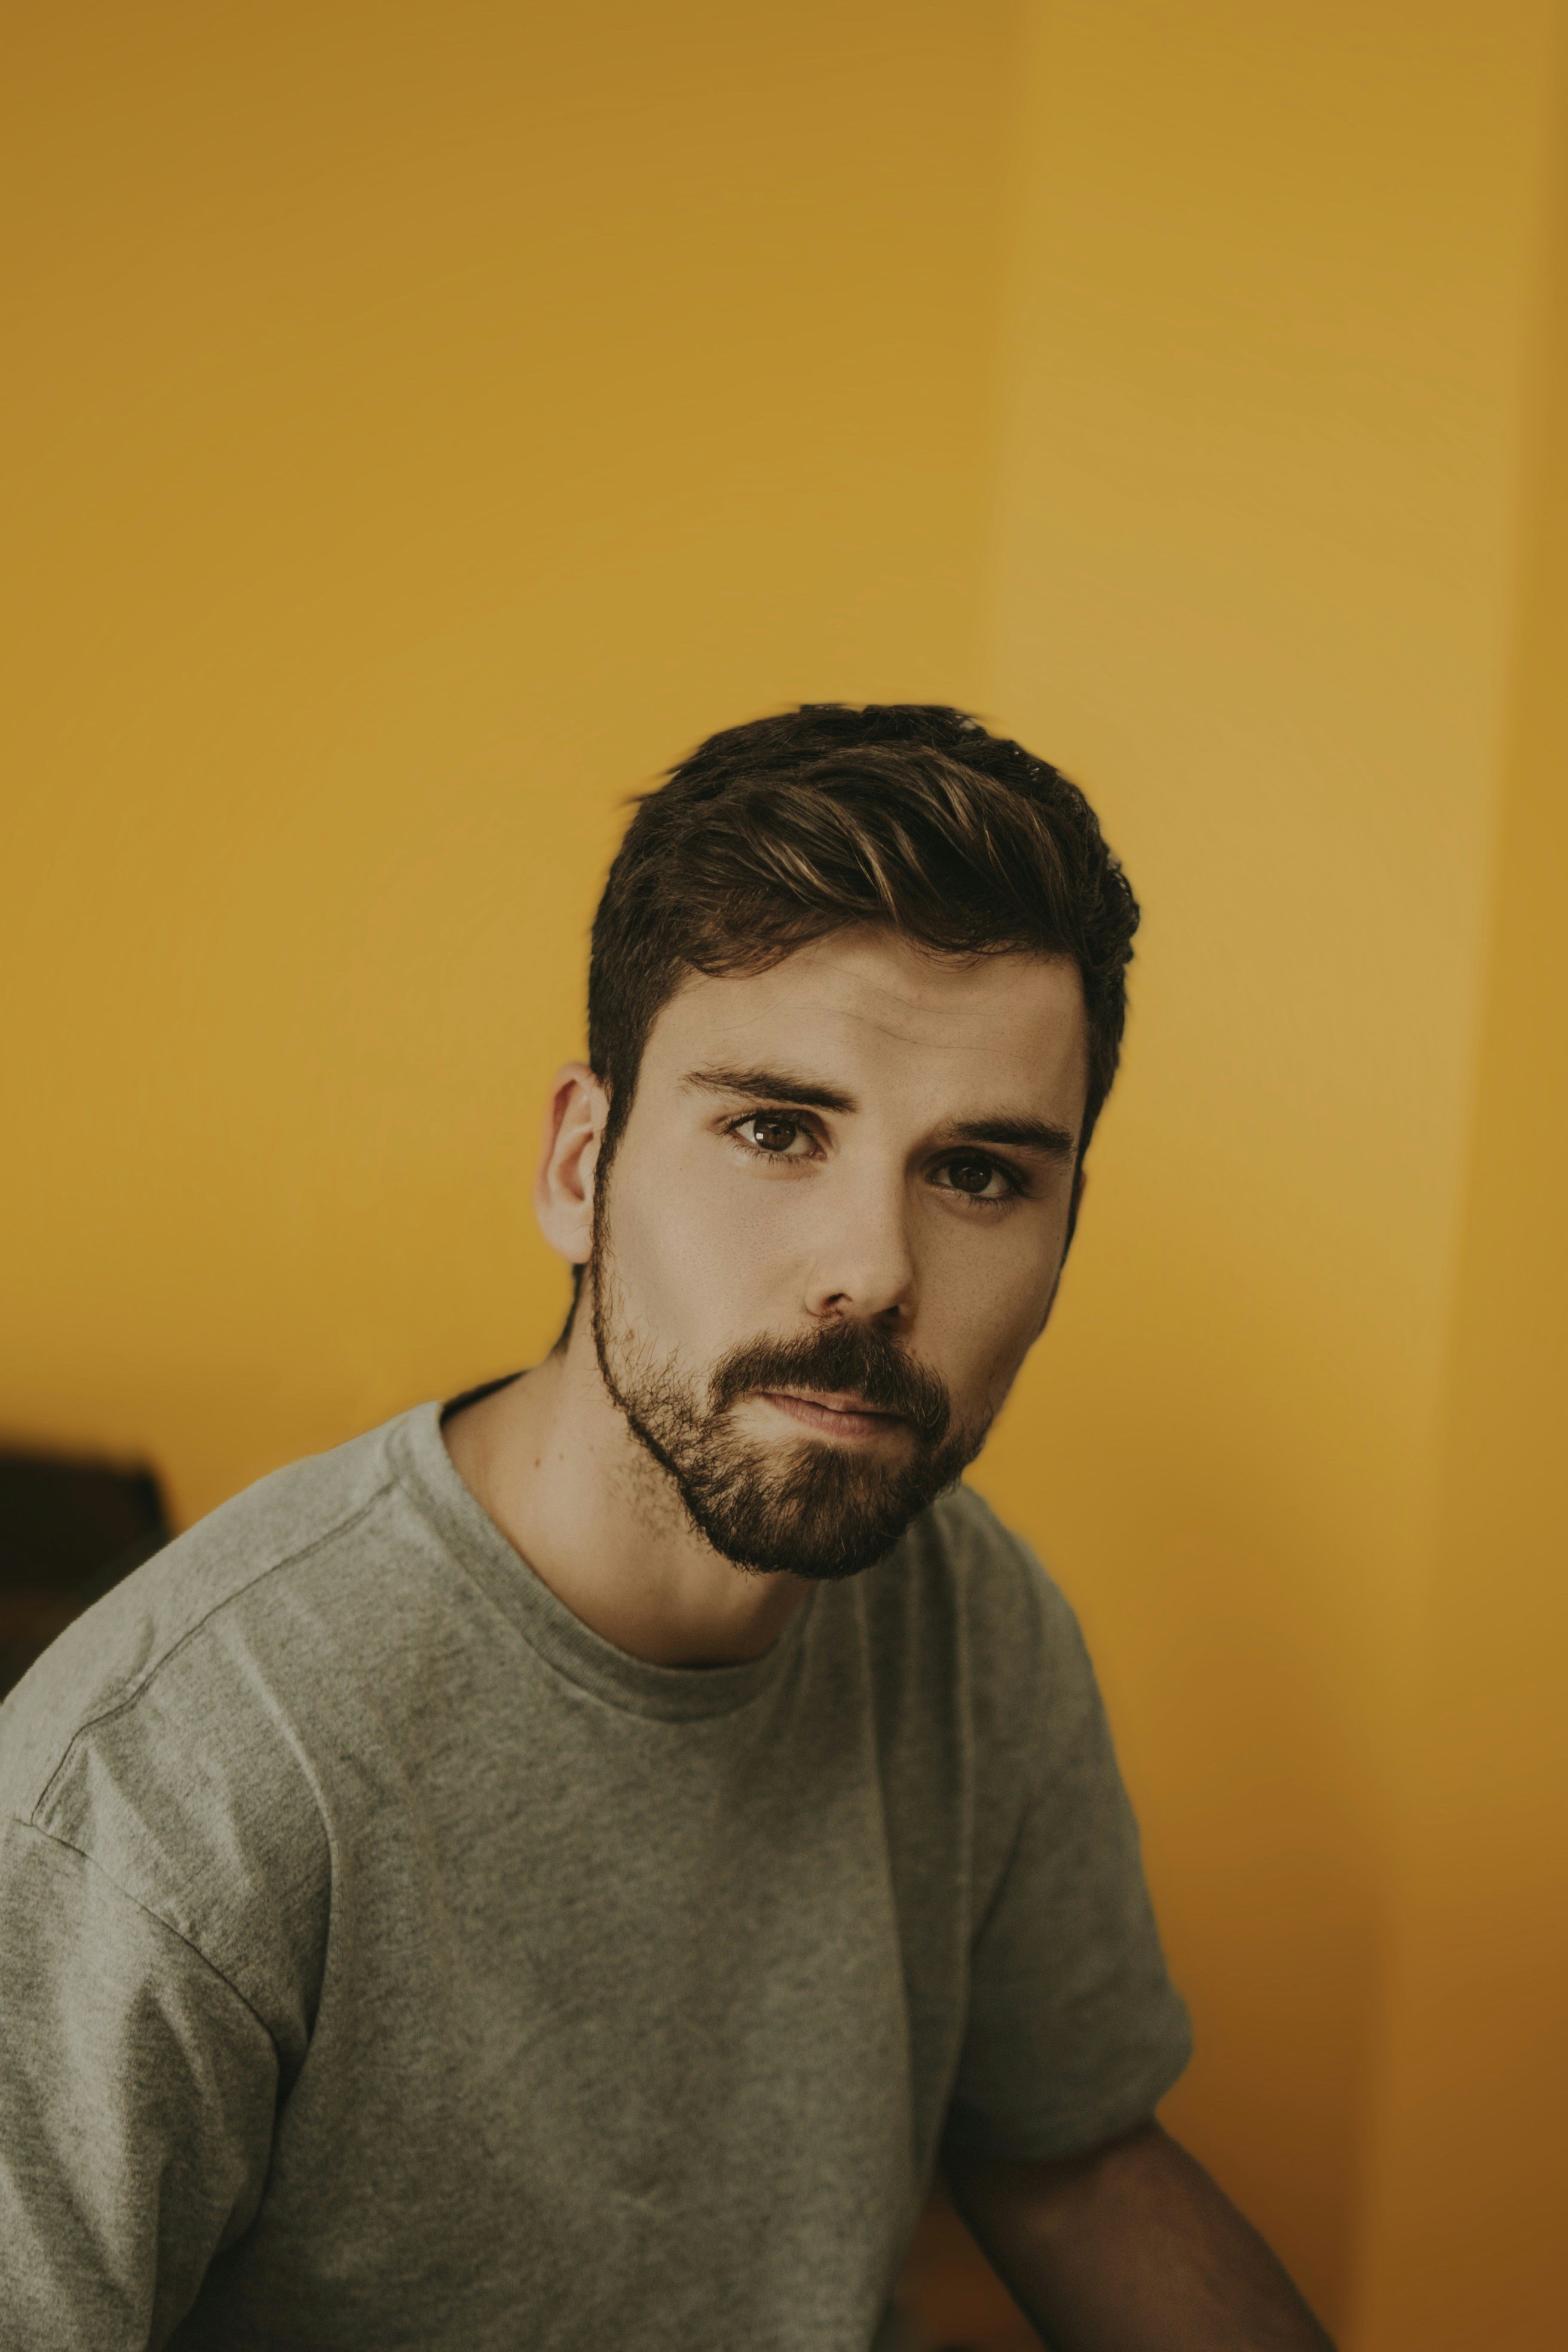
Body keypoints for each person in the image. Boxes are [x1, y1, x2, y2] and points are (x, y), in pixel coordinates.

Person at [0, 705, 1332, 2350]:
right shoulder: (165, 1787)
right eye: (777, 1130)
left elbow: (1075, 2166)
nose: (877, 1272)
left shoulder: (972, 1622)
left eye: (980, 1173)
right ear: (581, 1163)